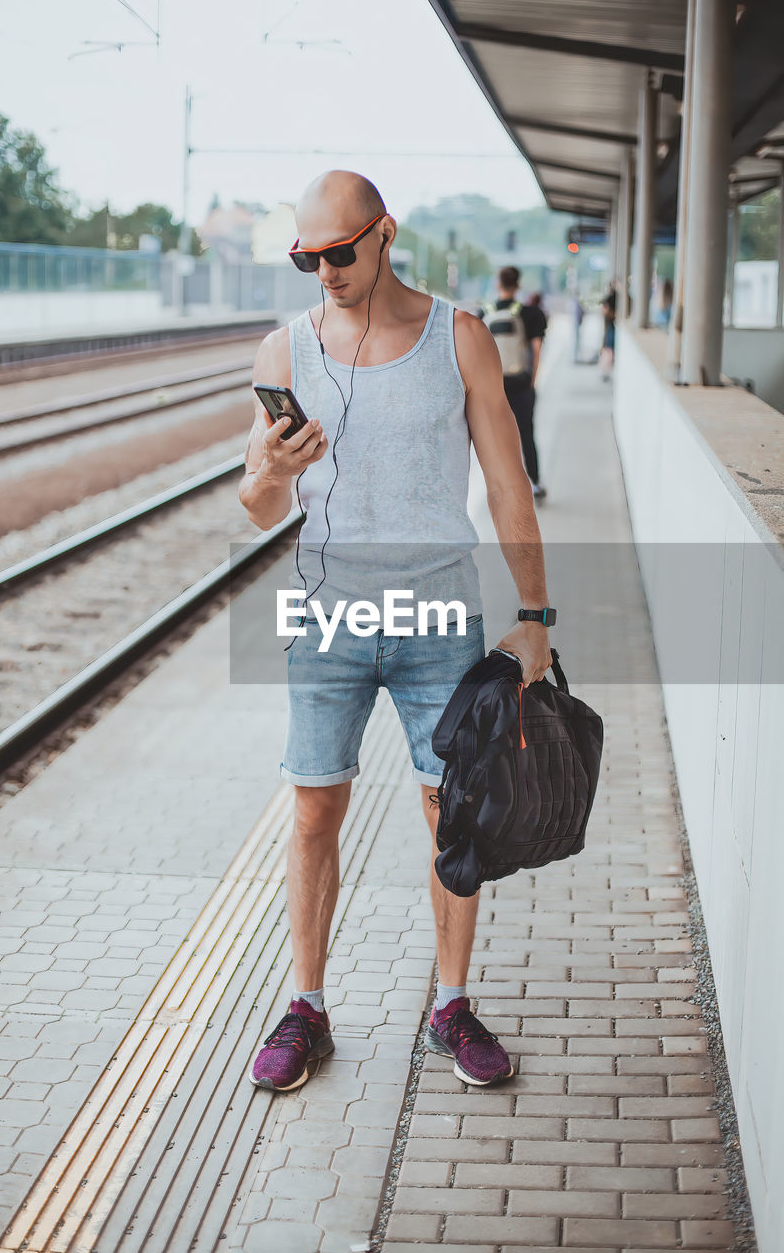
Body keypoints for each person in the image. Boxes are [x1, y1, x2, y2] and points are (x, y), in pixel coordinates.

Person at [238, 171, 553, 1093]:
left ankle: (449, 1006)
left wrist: (533, 618)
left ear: (384, 235)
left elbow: (506, 484)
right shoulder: (283, 350)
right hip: (326, 615)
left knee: (448, 816)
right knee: (312, 812)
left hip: (437, 614)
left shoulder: (458, 336)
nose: (325, 271)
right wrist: (270, 470)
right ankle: (307, 1008)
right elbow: (256, 510)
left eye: (340, 251)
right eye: (308, 258)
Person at [482, 267, 547, 500]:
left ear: (498, 284)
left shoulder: (484, 312)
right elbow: (536, 349)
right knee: (526, 433)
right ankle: (535, 483)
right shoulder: (530, 313)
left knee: (497, 437)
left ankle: (504, 486)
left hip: (494, 387)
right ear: (518, 285)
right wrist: (532, 380)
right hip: (521, 384)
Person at [600, 280, 617, 380]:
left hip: (611, 326)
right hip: (611, 326)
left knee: (608, 349)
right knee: (609, 349)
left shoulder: (610, 298)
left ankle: (605, 370)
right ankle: (606, 370)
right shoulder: (614, 298)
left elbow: (605, 310)